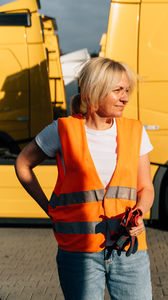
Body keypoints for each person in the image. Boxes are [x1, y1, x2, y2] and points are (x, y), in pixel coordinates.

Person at [15, 57, 154, 300]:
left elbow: (145, 187)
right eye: (118, 90)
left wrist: (140, 212)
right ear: (93, 91)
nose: (126, 98)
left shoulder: (136, 131)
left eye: (127, 90)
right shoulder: (62, 129)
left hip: (129, 251)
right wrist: (49, 208)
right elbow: (23, 164)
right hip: (79, 254)